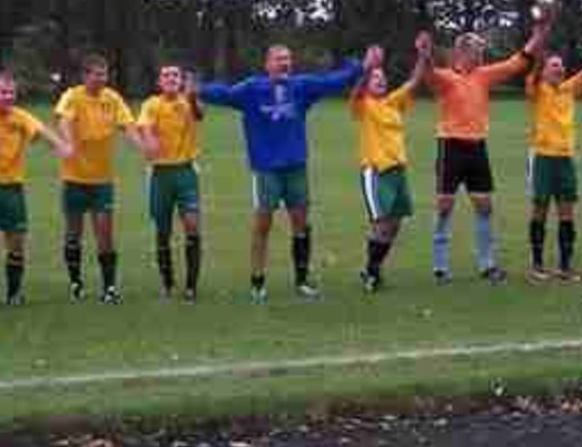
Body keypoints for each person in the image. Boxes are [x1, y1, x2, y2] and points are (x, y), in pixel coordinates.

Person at [201, 43, 374, 302]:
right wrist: (197, 88)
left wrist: (360, 67)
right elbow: (223, 93)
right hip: (266, 169)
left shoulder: (301, 87)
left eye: (288, 59)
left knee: (301, 223)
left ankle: (302, 280)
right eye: (279, 59)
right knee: (263, 224)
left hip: (296, 167)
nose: (285, 63)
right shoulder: (251, 89)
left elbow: (332, 82)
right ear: (267, 64)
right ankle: (257, 282)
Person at [423, 14, 552, 285]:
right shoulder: (446, 78)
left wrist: (539, 32)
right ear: (461, 52)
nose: (481, 55)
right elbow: (428, 75)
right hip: (451, 146)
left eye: (482, 51)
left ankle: (487, 264)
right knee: (445, 206)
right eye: (477, 51)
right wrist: (424, 54)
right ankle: (440, 267)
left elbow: (520, 61)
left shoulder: (484, 75)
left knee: (484, 206)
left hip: (477, 147)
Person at [0, 70, 73, 307]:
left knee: (15, 243)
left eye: (11, 92)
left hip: (13, 190)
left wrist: (61, 146)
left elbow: (42, 131)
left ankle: (14, 293)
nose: (7, 97)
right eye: (2, 92)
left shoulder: (21, 117)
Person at [525, 18, 582, 282]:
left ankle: (565, 266)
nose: (559, 69)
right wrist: (541, 32)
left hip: (565, 159)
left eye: (561, 66)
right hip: (542, 158)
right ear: (544, 71)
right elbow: (535, 61)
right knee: (540, 210)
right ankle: (538, 265)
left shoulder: (568, 89)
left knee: (566, 212)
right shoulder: (537, 89)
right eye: (554, 66)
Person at [56, 55, 146, 304]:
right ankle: (75, 283)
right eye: (97, 74)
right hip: (74, 177)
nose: (102, 79)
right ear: (85, 76)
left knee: (105, 233)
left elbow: (128, 126)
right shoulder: (72, 96)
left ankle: (109, 287)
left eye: (104, 74)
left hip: (102, 179)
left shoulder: (113, 98)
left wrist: (142, 146)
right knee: (74, 232)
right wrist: (67, 142)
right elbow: (63, 120)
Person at [351, 35, 431, 291]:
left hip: (398, 171)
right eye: (376, 78)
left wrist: (423, 54)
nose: (381, 80)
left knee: (394, 225)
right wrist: (367, 67)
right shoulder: (363, 104)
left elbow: (415, 80)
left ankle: (371, 269)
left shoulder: (393, 103)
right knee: (381, 222)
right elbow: (356, 90)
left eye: (383, 77)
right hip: (376, 172)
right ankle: (372, 273)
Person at [136, 65, 206, 301]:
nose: (171, 79)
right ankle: (167, 284)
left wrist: (194, 95)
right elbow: (143, 125)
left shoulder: (189, 101)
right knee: (162, 231)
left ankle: (191, 287)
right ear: (159, 81)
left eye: (176, 75)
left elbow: (199, 114)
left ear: (181, 80)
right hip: (160, 174)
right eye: (166, 75)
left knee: (192, 226)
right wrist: (148, 141)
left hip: (186, 172)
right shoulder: (151, 104)